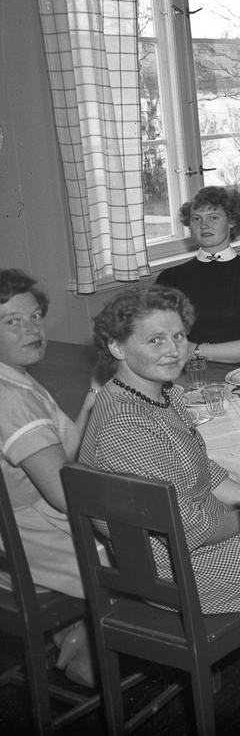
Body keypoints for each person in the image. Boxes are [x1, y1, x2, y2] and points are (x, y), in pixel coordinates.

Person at [81, 287, 240, 613]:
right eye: (154, 340)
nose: (174, 350)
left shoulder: (163, 393)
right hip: (180, 571)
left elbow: (205, 472)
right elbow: (191, 530)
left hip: (200, 541)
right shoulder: (126, 425)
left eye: (178, 336)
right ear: (117, 347)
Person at [0, 270, 101, 686]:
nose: (32, 329)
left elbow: (69, 451)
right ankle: (89, 646)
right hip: (36, 547)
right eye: (12, 321)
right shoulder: (13, 399)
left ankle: (79, 636)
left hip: (14, 541)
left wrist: (98, 392)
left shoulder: (16, 379)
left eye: (36, 316)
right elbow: (67, 494)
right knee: (161, 554)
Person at [156, 186, 240, 364]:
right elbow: (158, 338)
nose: (204, 225)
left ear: (232, 221)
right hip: (184, 374)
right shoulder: (170, 278)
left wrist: (194, 350)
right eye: (196, 219)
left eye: (213, 217)